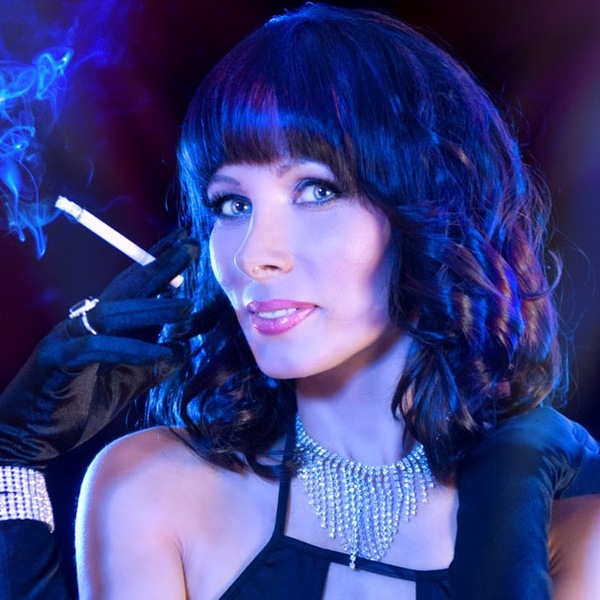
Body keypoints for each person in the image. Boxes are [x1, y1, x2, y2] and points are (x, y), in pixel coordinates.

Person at [0, 4, 599, 599]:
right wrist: (10, 463)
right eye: (232, 204)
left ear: (431, 210)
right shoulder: (154, 489)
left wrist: (504, 507)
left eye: (316, 190)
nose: (253, 255)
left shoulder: (566, 521)